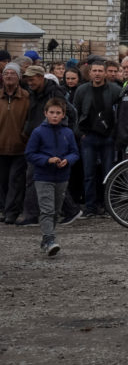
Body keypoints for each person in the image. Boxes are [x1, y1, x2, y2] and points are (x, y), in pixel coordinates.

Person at [24, 98, 79, 257]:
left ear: (63, 115)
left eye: (58, 113)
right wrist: (47, 160)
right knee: (47, 209)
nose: (54, 116)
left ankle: (47, 238)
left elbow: (75, 153)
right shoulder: (38, 132)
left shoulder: (68, 133)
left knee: (56, 210)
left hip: (62, 177)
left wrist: (68, 160)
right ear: (45, 113)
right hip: (43, 176)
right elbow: (30, 154)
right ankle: (49, 239)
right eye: (52, 113)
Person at [72, 60, 121, 218]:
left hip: (108, 138)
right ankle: (91, 207)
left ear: (105, 72)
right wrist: (80, 133)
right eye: (95, 70)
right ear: (90, 73)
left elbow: (119, 114)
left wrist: (114, 133)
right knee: (89, 174)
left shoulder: (114, 90)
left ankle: (107, 207)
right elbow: (75, 113)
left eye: (101, 70)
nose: (98, 73)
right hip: (89, 137)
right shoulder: (82, 90)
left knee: (108, 174)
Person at [1, 63, 30, 224]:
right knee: (3, 181)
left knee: (15, 181)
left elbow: (30, 121)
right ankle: (4, 208)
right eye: (6, 74)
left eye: (13, 73)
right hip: (1, 147)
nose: (9, 76)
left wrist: (24, 136)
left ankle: (12, 211)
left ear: (18, 77)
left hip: (20, 147)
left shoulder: (26, 97)